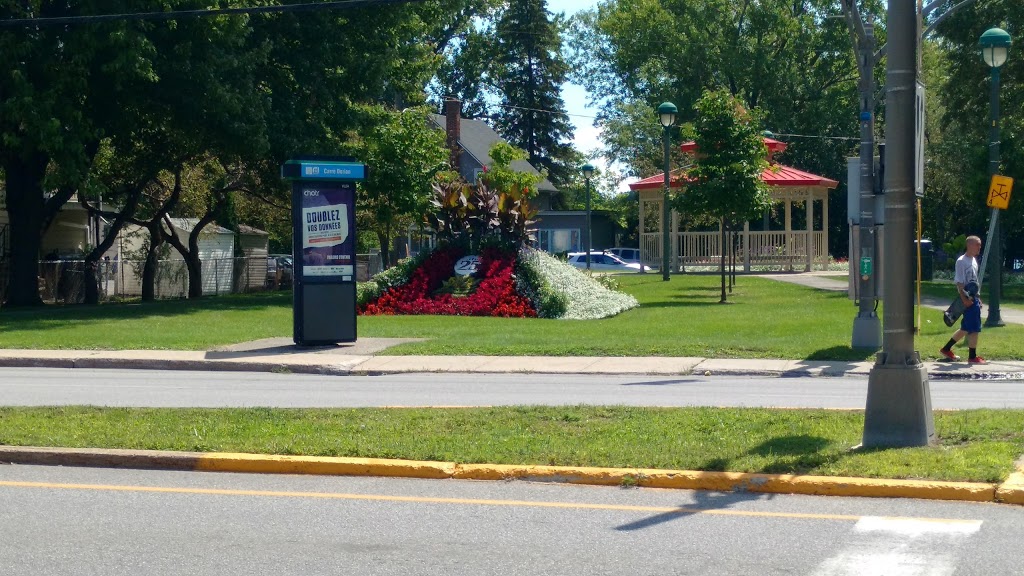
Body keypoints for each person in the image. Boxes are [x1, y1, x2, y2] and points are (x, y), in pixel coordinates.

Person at [939, 235, 985, 363]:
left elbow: (974, 282)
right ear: (969, 245)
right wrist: (964, 300)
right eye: (977, 244)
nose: (979, 247)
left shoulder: (974, 261)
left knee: (966, 327)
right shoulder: (961, 261)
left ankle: (946, 349)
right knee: (974, 328)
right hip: (967, 299)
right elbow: (959, 282)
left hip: (973, 298)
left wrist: (978, 297)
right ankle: (972, 357)